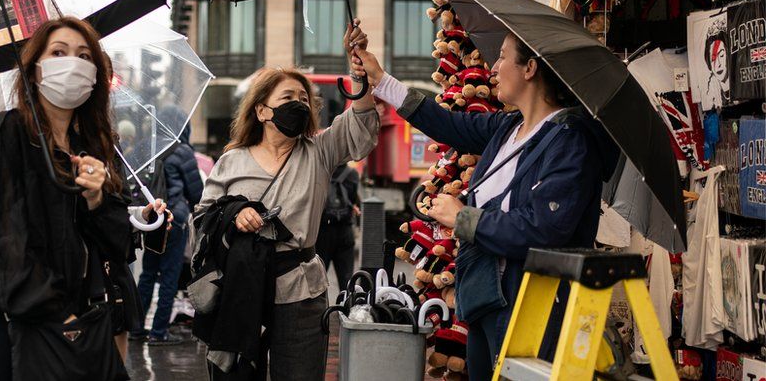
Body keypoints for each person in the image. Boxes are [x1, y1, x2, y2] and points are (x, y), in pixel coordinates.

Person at [352, 33, 619, 380]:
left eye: (503, 57)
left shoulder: (570, 140)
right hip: (486, 296)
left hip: (530, 304)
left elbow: (544, 228)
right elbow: (446, 123)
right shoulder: (509, 127)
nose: (492, 67)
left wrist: (464, 218)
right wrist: (380, 80)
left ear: (530, 68)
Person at [0, 17, 164, 380]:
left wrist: (97, 198)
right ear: (36, 69)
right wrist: (58, 314)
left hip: (86, 327)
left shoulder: (96, 145)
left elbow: (118, 244)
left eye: (84, 55)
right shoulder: (10, 133)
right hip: (26, 328)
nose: (72, 62)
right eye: (58, 52)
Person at [195, 21, 379, 380]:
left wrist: (358, 69)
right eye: (287, 99)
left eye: (302, 99)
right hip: (241, 288)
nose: (298, 104)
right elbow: (203, 217)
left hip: (302, 291)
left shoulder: (320, 151)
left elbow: (360, 127)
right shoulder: (232, 161)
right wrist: (235, 214)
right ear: (262, 111)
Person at [133, 111, 204, 345]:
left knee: (148, 274)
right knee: (170, 275)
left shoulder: (146, 148)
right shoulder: (182, 152)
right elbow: (196, 194)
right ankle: (159, 331)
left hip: (151, 219)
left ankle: (136, 328)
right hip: (174, 220)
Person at [316, 162, 361, 292]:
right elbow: (352, 200)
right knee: (346, 279)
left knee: (318, 279)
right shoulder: (352, 174)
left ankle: (321, 311)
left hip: (322, 231)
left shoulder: (319, 173)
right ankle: (346, 309)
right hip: (345, 230)